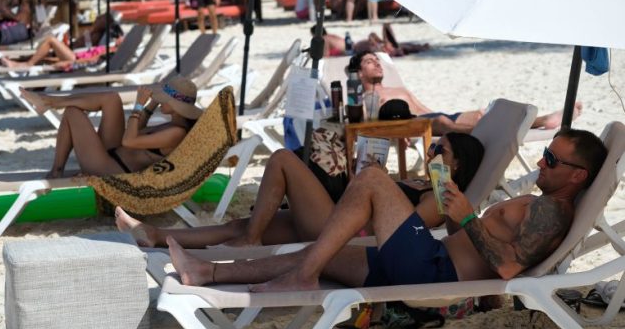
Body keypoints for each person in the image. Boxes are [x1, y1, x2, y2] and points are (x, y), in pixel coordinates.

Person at [167, 128, 607, 293]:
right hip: (426, 262)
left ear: (578, 176)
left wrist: (469, 217)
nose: (543, 163)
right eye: (545, 153)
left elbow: (508, 268)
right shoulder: (540, 202)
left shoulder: (553, 214)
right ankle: (207, 274)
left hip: (435, 275)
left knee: (373, 179)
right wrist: (457, 214)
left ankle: (301, 277)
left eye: (553, 160)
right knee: (323, 249)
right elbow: (486, 242)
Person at [115, 132, 484, 248]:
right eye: (434, 145)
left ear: (457, 165)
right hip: (339, 216)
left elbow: (402, 235)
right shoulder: (421, 181)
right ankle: (156, 235)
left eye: (441, 150)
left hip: (345, 234)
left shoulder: (442, 198)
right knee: (245, 223)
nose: (432, 151)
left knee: (281, 160)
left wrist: (374, 188)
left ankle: (250, 245)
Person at [350, 50, 582, 135]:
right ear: (359, 73)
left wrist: (449, 116)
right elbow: (368, 125)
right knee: (443, 120)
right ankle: (492, 134)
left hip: (433, 119)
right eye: (370, 62)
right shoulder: (363, 99)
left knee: (482, 113)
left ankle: (543, 120)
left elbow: (425, 109)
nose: (378, 64)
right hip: (410, 127)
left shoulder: (398, 89)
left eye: (378, 60)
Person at [19, 76, 203, 179]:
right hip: (114, 153)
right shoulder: (173, 124)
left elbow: (129, 140)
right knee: (112, 98)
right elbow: (137, 129)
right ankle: (50, 101)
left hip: (110, 168)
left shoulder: (175, 133)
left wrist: (139, 106)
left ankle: (56, 171)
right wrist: (151, 104)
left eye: (164, 98)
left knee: (73, 113)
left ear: (177, 105)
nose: (160, 99)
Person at [0, 12, 122, 70]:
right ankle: (16, 62)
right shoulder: (101, 40)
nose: (96, 19)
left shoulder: (106, 46)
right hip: (75, 55)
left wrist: (72, 64)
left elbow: (93, 60)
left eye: (99, 19)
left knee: (50, 40)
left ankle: (27, 64)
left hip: (75, 59)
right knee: (43, 57)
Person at [316, 23, 430, 58]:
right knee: (399, 46)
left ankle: (390, 44)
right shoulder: (332, 37)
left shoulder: (325, 40)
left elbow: (324, 58)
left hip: (364, 48)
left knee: (397, 46)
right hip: (366, 48)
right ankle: (419, 47)